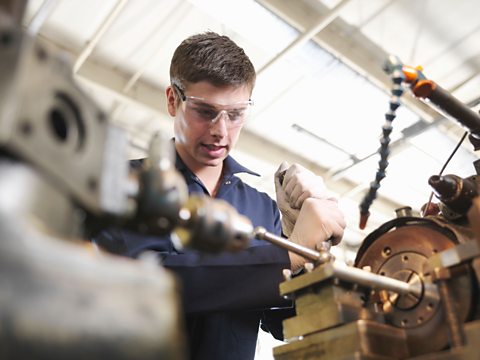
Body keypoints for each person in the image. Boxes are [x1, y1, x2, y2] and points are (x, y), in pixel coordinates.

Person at [96, 32, 345, 360]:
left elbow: (284, 324)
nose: (221, 130)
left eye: (236, 113)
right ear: (173, 100)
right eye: (205, 111)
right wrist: (286, 256)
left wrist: (306, 260)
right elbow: (151, 282)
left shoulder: (263, 208)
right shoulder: (125, 184)